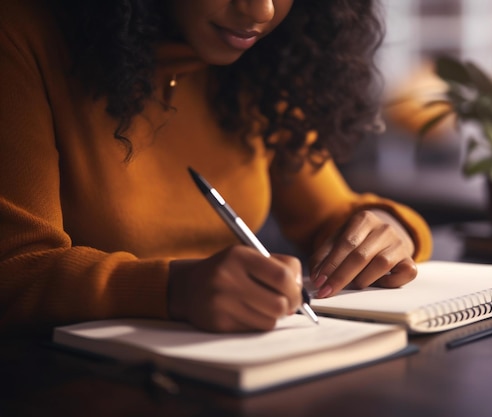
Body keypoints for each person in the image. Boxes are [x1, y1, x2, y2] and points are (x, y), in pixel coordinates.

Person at [0, 0, 432, 334]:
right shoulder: (23, 35)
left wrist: (386, 228)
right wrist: (173, 289)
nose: (261, 10)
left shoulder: (260, 66)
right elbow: (15, 269)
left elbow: (331, 215)